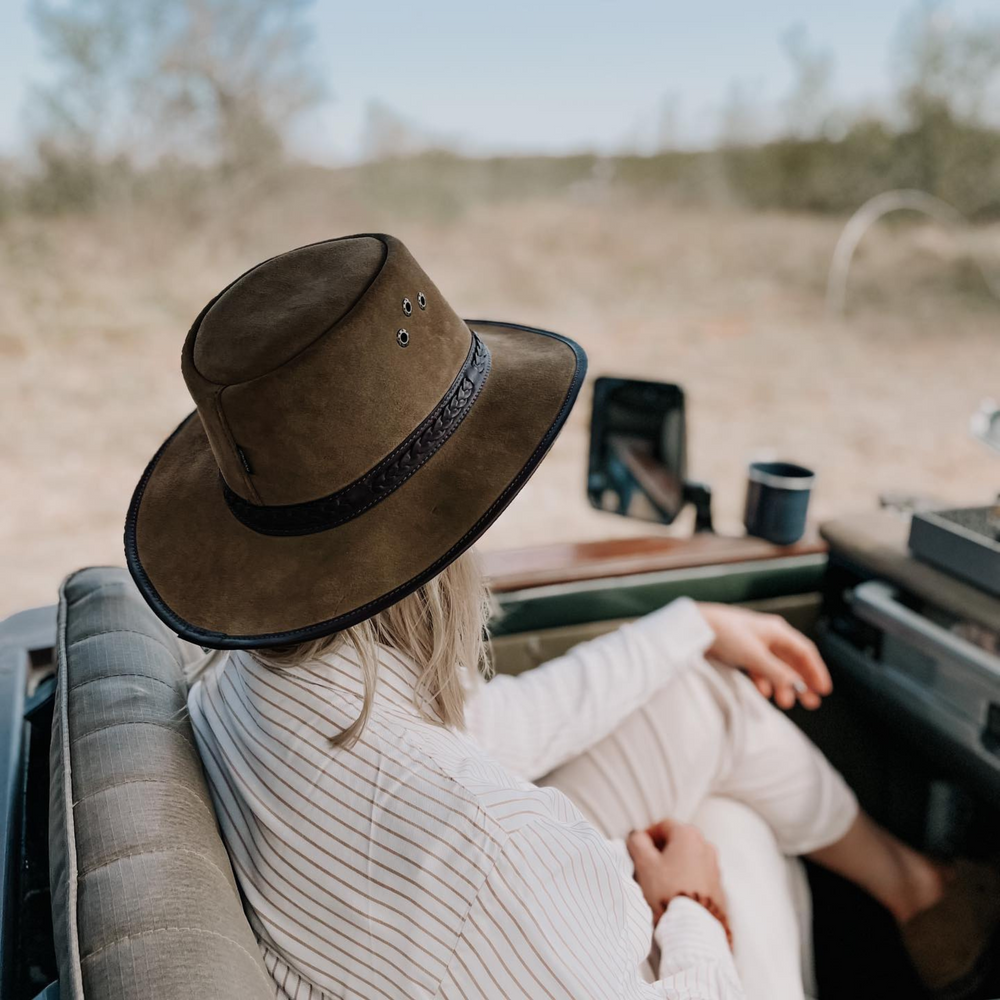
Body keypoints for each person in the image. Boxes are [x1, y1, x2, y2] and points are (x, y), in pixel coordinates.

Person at [125, 235, 998, 1000]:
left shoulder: (253, 679)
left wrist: (690, 621)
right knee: (733, 831)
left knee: (702, 697)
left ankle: (924, 897)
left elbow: (481, 733)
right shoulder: (490, 849)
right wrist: (690, 908)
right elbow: (482, 829)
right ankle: (934, 907)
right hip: (492, 917)